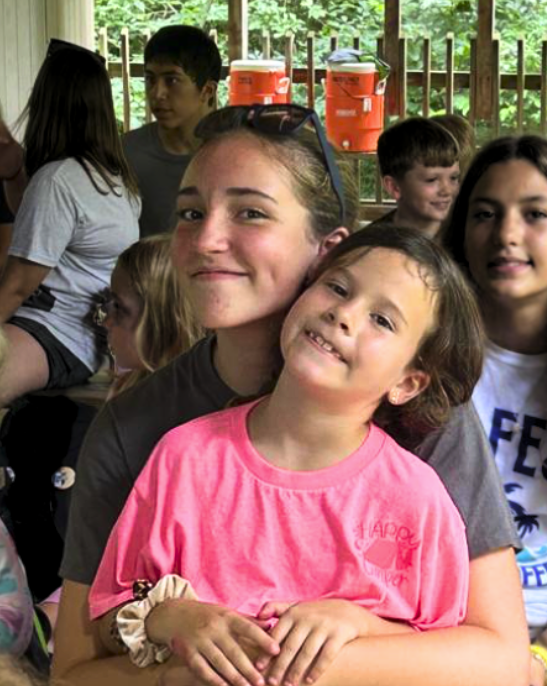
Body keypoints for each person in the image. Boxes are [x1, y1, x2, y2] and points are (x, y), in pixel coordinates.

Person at [53, 106, 528, 686]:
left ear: (328, 249)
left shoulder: (418, 419)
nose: (206, 239)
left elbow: (499, 659)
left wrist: (307, 655)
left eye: (250, 212)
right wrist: (182, 662)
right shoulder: (149, 436)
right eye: (189, 213)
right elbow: (76, 669)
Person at [89, 226, 481, 686]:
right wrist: (174, 618)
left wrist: (359, 624)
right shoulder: (185, 457)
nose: (344, 313)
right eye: (337, 287)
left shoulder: (418, 500)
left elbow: (442, 656)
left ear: (408, 383)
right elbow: (108, 616)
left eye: (383, 320)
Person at [443, 134, 547, 685]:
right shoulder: (422, 352)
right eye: (485, 213)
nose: (507, 235)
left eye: (536, 215)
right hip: (436, 625)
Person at [0, 39, 140, 408]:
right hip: (84, 337)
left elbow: (15, 287)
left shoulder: (58, 180)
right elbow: (46, 233)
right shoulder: (115, 180)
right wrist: (14, 175)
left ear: (47, 103)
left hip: (51, 331)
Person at [123, 25, 221, 237]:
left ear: (207, 90)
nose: (157, 93)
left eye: (172, 80)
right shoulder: (125, 153)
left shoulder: (234, 156)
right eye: (150, 79)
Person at [97, 234, 203, 398]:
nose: (106, 322)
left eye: (118, 307)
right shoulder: (130, 387)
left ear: (168, 325)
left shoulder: (180, 412)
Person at [373, 117, 460, 237]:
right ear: (394, 187)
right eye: (431, 180)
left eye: (453, 178)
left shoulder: (470, 240)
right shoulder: (368, 248)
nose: (447, 191)